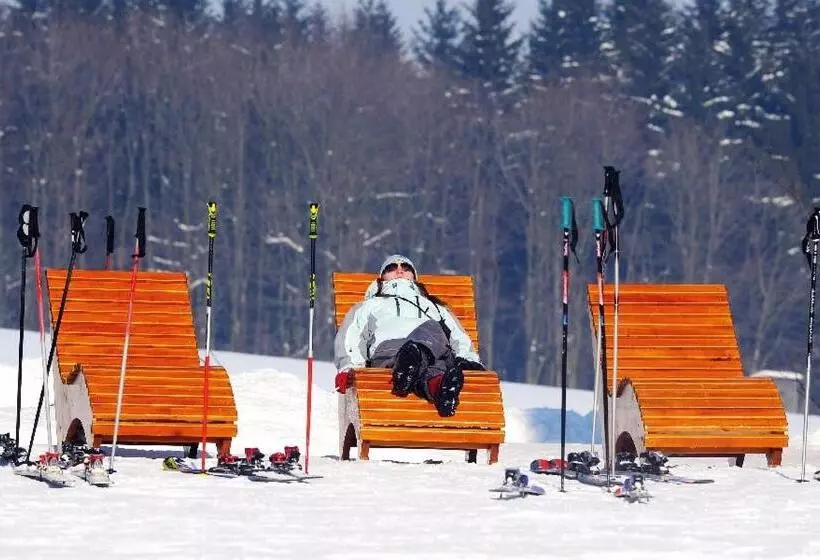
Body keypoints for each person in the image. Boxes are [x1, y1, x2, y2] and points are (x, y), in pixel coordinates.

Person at [334, 254, 486, 417]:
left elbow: (458, 335)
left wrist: (468, 358)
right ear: (382, 278)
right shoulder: (369, 306)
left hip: (435, 354)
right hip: (390, 353)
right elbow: (352, 334)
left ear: (414, 277)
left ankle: (415, 372)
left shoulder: (436, 307)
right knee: (430, 340)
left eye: (406, 268)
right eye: (392, 268)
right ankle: (435, 384)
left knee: (431, 337)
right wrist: (349, 366)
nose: (399, 271)